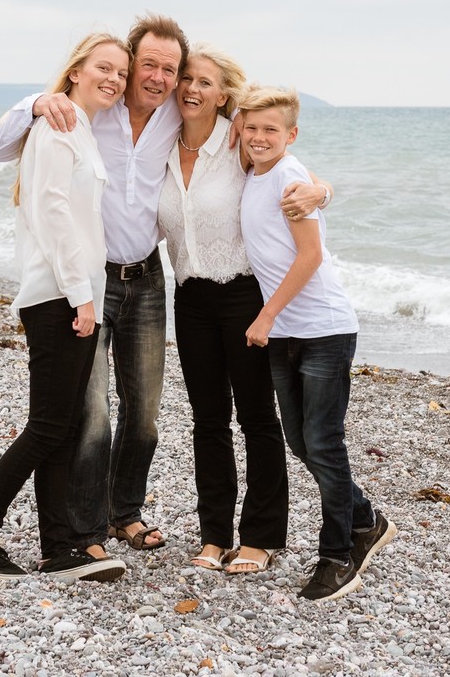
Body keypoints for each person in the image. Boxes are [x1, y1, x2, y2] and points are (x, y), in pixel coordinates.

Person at [0, 14, 330, 559]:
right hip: (96, 281)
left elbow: (277, 153)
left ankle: (128, 513)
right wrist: (33, 103)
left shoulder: (199, 122)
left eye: (173, 70)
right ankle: (89, 531)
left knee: (144, 417)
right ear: (127, 64)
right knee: (94, 414)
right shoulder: (86, 112)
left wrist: (322, 190)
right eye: (151, 65)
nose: (165, 79)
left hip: (150, 279)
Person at [0, 33, 131, 582]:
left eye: (121, 74)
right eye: (105, 67)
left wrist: (87, 296)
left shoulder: (82, 130)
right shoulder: (55, 129)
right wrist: (81, 294)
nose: (114, 79)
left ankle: (58, 548)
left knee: (59, 426)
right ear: (76, 70)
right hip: (60, 296)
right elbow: (53, 213)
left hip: (77, 295)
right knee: (47, 427)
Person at [238, 85, 397, 602]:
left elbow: (310, 256)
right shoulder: (253, 169)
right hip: (287, 333)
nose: (260, 137)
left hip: (324, 329)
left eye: (272, 130)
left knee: (324, 443)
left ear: (292, 135)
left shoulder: (289, 178)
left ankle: (338, 553)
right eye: (252, 127)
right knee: (302, 442)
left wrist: (264, 316)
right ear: (241, 127)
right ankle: (367, 517)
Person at [157, 45, 288, 574]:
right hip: (189, 298)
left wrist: (321, 192)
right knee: (208, 420)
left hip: (243, 296)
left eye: (204, 82)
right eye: (185, 78)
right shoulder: (159, 143)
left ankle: (259, 538)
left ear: (224, 94)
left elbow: (290, 172)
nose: (191, 87)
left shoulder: (238, 143)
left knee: (258, 418)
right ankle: (214, 536)